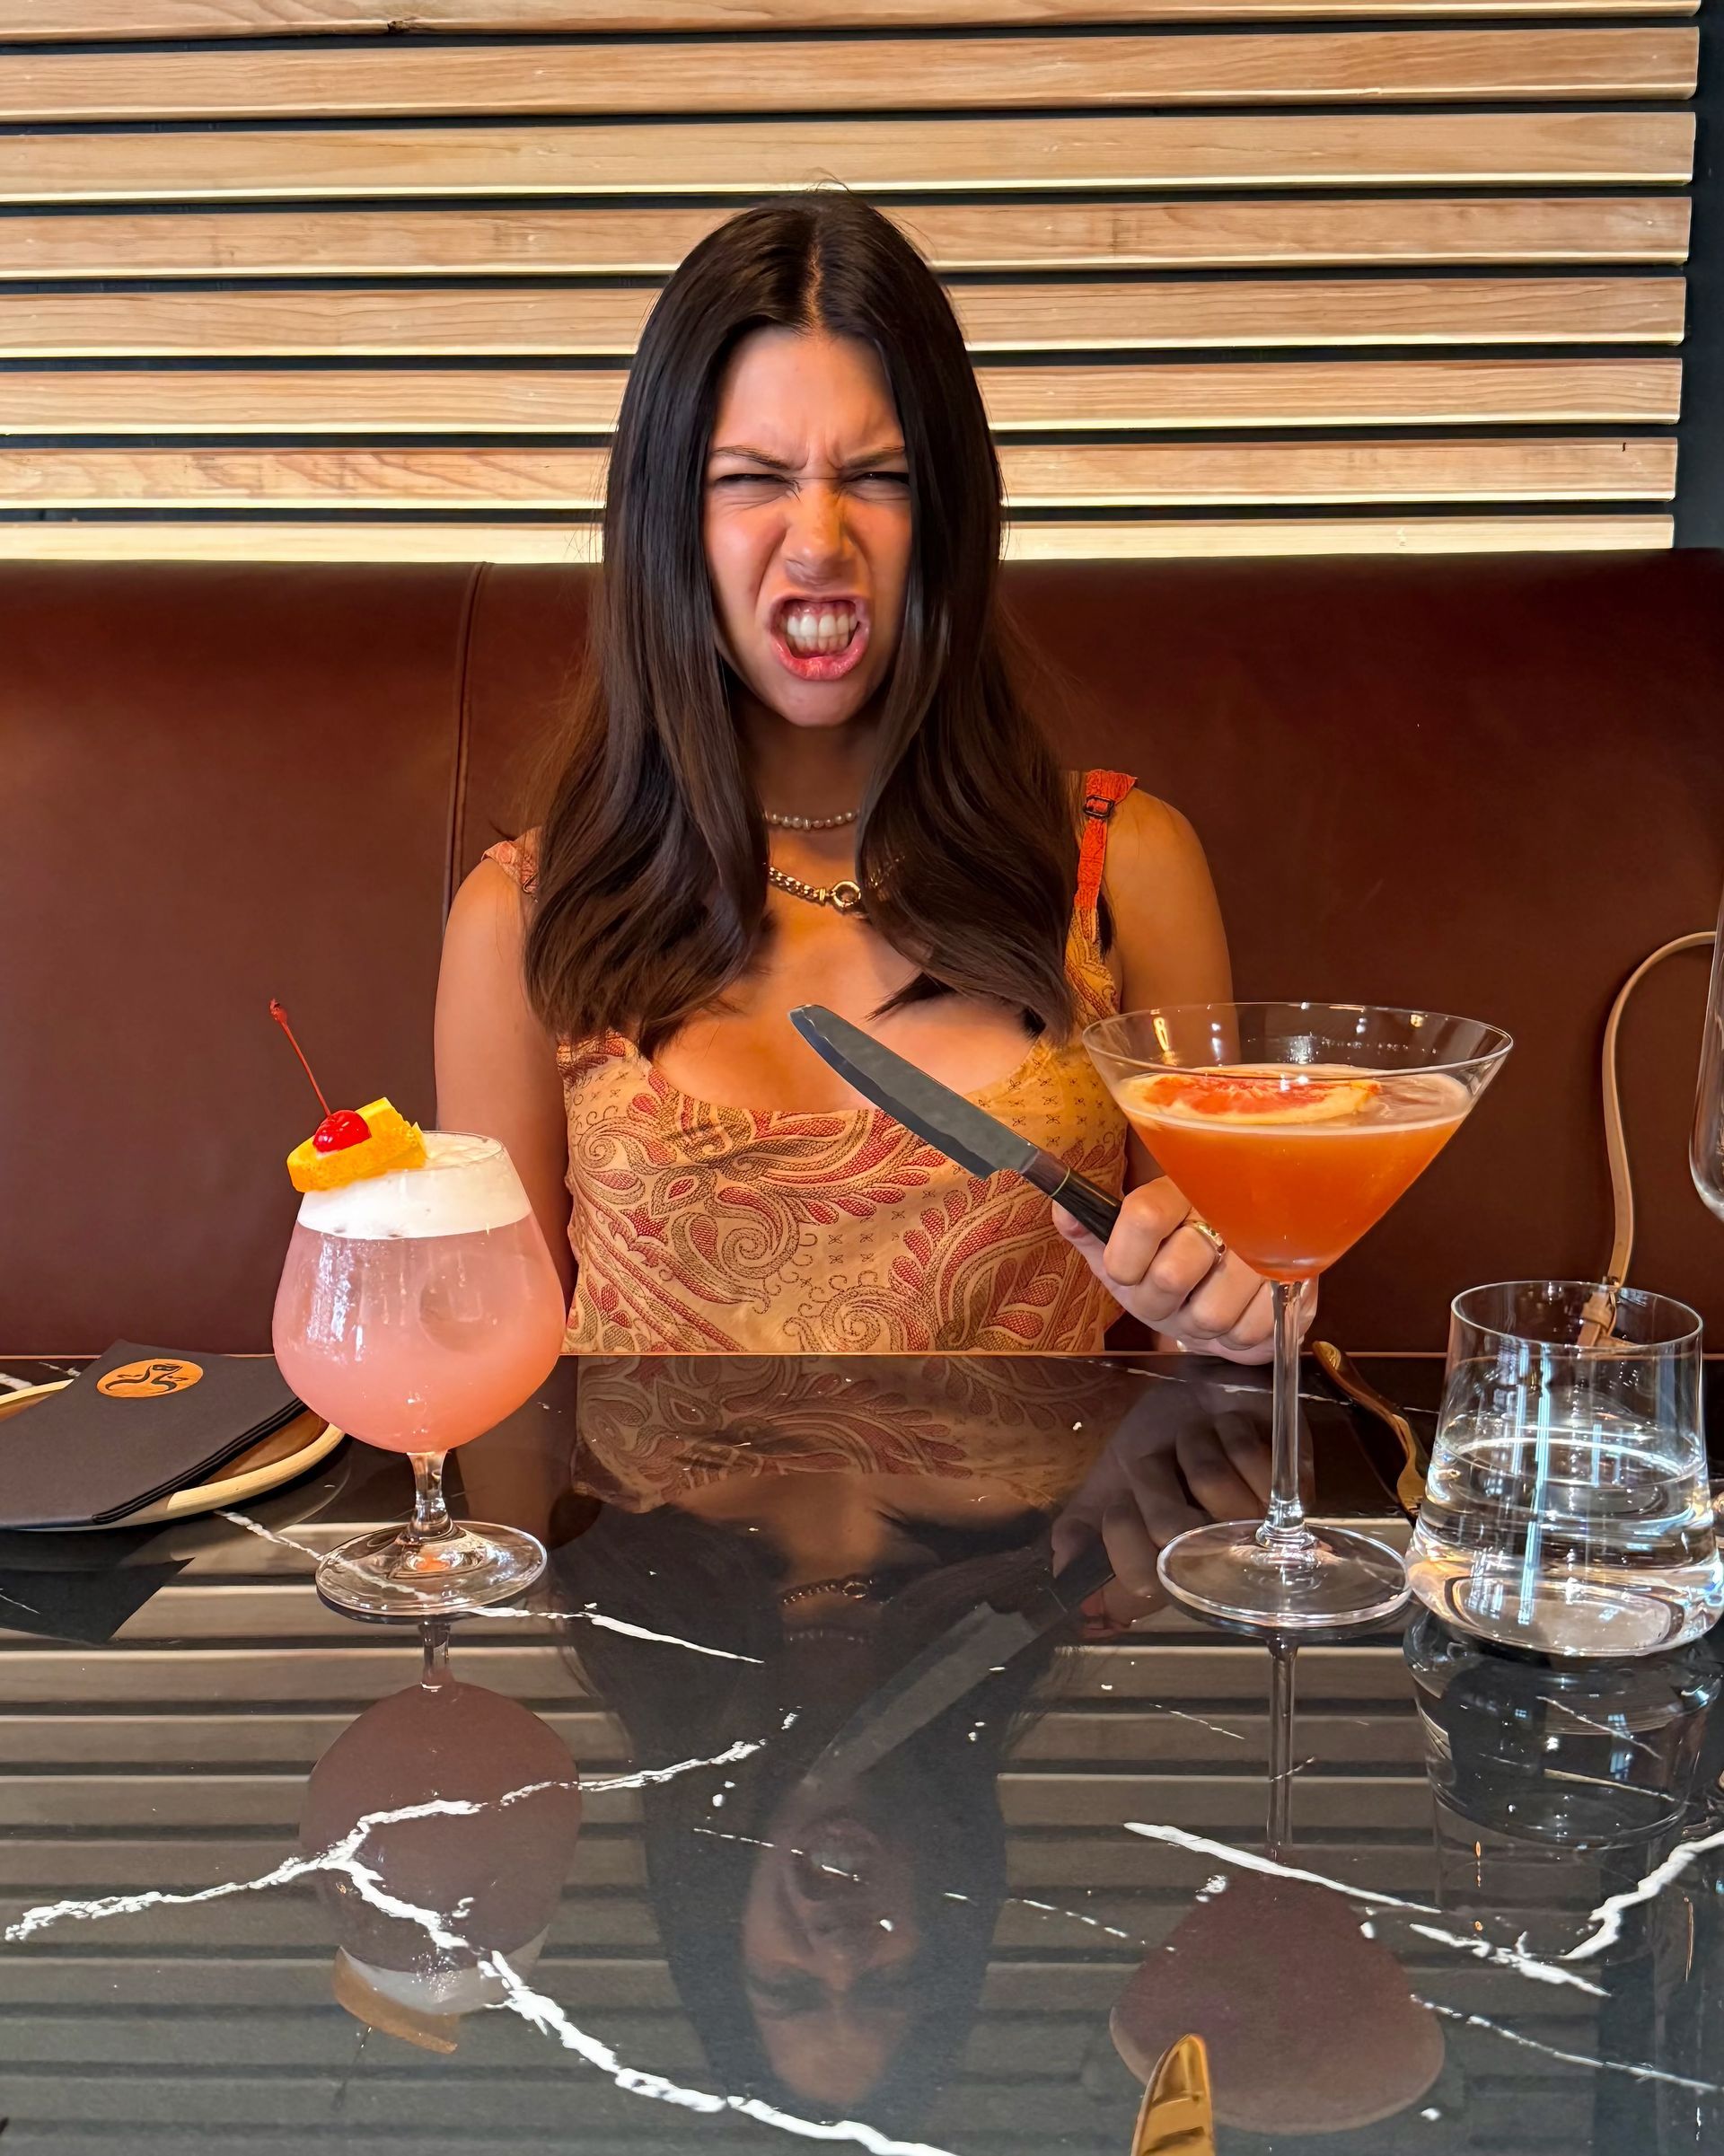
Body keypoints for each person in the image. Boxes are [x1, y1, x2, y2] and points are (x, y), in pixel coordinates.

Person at [435, 190, 1280, 1359]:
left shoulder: (1124, 869)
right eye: (751, 477)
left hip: (1058, 1490)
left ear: (948, 519)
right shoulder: (525, 916)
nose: (821, 540)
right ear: (669, 524)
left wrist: (1241, 1320)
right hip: (633, 1493)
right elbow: (487, 1383)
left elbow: (1222, 1345)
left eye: (880, 476)